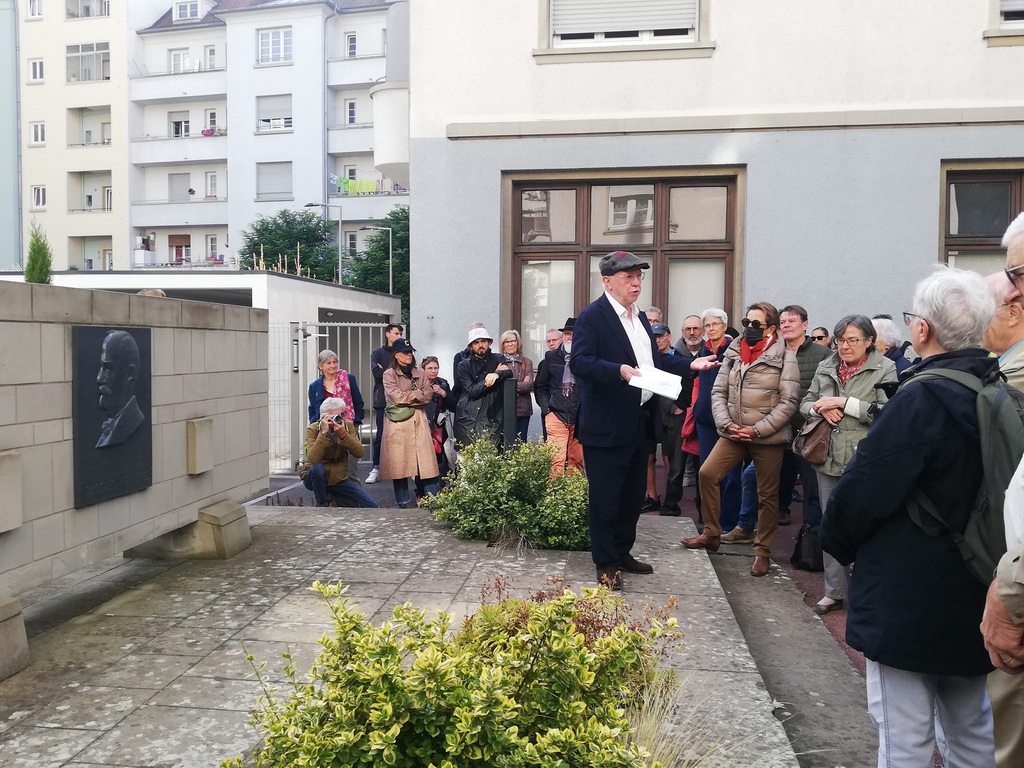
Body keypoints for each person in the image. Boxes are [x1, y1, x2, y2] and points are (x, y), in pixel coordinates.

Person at [821, 266, 998, 768]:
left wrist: (838, 541)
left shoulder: (920, 397)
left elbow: (862, 492)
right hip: (977, 579)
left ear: (922, 328)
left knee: (905, 738)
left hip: (907, 588)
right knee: (972, 730)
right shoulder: (996, 389)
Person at [570, 251, 718, 589]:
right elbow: (579, 362)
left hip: (639, 420)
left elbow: (654, 363)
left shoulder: (638, 318)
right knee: (606, 497)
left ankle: (622, 552)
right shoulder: (592, 316)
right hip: (606, 424)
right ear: (607, 281)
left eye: (639, 276)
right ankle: (606, 562)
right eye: (628, 277)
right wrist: (618, 371)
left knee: (632, 494)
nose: (636, 283)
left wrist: (690, 364)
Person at [682, 302, 799, 578]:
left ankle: (762, 551)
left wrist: (757, 430)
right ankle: (712, 533)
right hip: (733, 432)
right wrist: (727, 424)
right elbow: (718, 391)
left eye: (757, 324)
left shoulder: (785, 357)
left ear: (771, 328)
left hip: (767, 436)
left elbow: (789, 402)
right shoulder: (734, 352)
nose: (749, 328)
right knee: (707, 473)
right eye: (747, 322)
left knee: (767, 495)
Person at [799, 315, 897, 615]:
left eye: (853, 340)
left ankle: (867, 593)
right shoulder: (827, 365)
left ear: (868, 341)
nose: (845, 346)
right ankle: (834, 592)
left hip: (864, 460)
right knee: (831, 525)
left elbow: (888, 411)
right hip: (827, 457)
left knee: (866, 528)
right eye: (841, 340)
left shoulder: (885, 367)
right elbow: (805, 402)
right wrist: (819, 409)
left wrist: (843, 404)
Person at [723, 304, 830, 540]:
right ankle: (745, 525)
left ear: (805, 325)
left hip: (806, 432)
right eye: (783, 322)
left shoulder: (822, 355)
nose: (787, 325)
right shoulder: (770, 349)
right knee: (752, 477)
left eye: (792, 321)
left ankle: (811, 540)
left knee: (811, 488)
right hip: (773, 431)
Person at [690, 308, 741, 533]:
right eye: (707, 325)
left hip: (728, 420)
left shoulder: (734, 350)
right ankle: (710, 524)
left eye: (715, 324)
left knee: (731, 475)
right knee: (707, 473)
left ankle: (729, 523)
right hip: (705, 419)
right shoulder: (702, 351)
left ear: (724, 326)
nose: (711, 329)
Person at [379, 339, 441, 509]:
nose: (409, 355)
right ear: (396, 355)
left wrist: (410, 396)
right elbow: (395, 397)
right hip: (397, 423)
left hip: (419, 422)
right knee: (399, 466)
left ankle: (435, 502)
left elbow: (428, 396)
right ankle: (403, 503)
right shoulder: (389, 374)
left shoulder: (420, 373)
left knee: (427, 465)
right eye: (405, 352)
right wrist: (416, 394)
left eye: (410, 352)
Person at [300, 398, 377, 508]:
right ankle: (322, 505)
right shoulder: (313, 429)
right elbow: (313, 459)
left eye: (342, 415)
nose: (339, 419)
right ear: (324, 417)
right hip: (315, 478)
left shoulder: (347, 425)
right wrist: (323, 434)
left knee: (371, 506)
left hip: (338, 478)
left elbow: (359, 452)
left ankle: (334, 496)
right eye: (334, 416)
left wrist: (344, 435)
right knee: (318, 469)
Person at [307, 349, 365, 485]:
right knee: (328, 464)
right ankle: (331, 494)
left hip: (347, 426)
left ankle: (355, 494)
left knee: (351, 467)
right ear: (320, 366)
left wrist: (355, 422)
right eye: (328, 363)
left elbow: (358, 402)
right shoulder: (315, 386)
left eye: (335, 362)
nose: (333, 365)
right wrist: (316, 425)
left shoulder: (348, 379)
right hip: (326, 429)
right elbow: (312, 408)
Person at [534, 317, 583, 476]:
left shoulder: (586, 358)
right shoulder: (551, 357)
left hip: (579, 416)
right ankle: (555, 491)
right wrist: (547, 410)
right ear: (563, 336)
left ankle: (573, 491)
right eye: (567, 334)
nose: (570, 337)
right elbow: (541, 386)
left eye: (574, 334)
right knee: (555, 460)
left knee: (576, 460)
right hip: (556, 414)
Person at [650, 323, 690, 517]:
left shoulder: (680, 357)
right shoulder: (650, 359)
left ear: (669, 336)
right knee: (658, 457)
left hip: (676, 414)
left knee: (675, 462)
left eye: (660, 336)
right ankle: (657, 499)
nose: (657, 340)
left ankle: (671, 503)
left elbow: (687, 384)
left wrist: (677, 408)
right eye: (654, 337)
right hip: (656, 414)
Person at [454, 327, 512, 447]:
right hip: (467, 418)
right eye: (476, 342)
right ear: (470, 346)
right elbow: (472, 390)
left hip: (491, 417)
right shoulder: (463, 365)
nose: (480, 345)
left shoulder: (498, 358)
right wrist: (488, 380)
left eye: (483, 341)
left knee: (489, 455)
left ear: (489, 343)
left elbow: (508, 372)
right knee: (465, 456)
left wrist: (496, 374)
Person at [95, 330, 145, 449]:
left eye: (108, 369)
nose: (99, 378)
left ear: (129, 374)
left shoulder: (133, 420)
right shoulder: (111, 421)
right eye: (101, 368)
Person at [367, 323, 403, 484]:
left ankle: (404, 467)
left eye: (400, 334)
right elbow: (376, 373)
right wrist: (394, 372)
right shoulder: (377, 353)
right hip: (382, 400)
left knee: (402, 435)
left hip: (401, 400)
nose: (399, 336)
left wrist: (386, 371)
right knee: (381, 435)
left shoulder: (403, 352)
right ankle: (376, 468)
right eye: (396, 333)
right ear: (387, 334)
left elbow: (406, 373)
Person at [416, 356, 456, 496]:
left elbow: (453, 405)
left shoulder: (443, 383)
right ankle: (420, 493)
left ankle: (441, 491)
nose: (433, 371)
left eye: (436, 368)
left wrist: (443, 393)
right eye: (430, 368)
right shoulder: (417, 383)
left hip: (439, 426)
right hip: (422, 425)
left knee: (442, 458)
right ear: (423, 369)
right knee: (422, 461)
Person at [983, 271, 1024, 389]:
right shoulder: (1008, 361)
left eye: (983, 311)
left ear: (1013, 313)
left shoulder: (1015, 372)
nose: (976, 321)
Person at [498, 329, 535, 443]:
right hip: (503, 409)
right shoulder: (498, 362)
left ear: (518, 343)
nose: (510, 344)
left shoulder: (527, 362)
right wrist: (521, 384)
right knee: (504, 443)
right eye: (507, 342)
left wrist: (509, 386)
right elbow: (498, 386)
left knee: (520, 443)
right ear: (503, 345)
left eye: (513, 341)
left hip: (523, 409)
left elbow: (529, 385)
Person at [536, 328, 564, 439]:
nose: (551, 344)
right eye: (548, 341)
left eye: (554, 340)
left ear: (562, 339)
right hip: (551, 413)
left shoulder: (571, 360)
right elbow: (539, 388)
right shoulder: (544, 363)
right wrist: (546, 410)